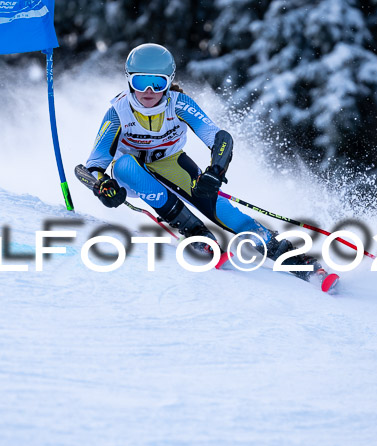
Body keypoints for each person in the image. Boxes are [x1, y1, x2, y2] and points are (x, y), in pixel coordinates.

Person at [83, 43, 323, 281]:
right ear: (128, 80)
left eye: (157, 83)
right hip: (130, 177)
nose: (148, 90)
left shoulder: (179, 103)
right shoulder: (118, 112)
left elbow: (219, 138)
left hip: (171, 163)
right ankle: (197, 233)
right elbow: (92, 166)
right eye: (140, 81)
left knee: (223, 211)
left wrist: (215, 173)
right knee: (125, 164)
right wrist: (103, 185)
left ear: (169, 81)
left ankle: (288, 256)